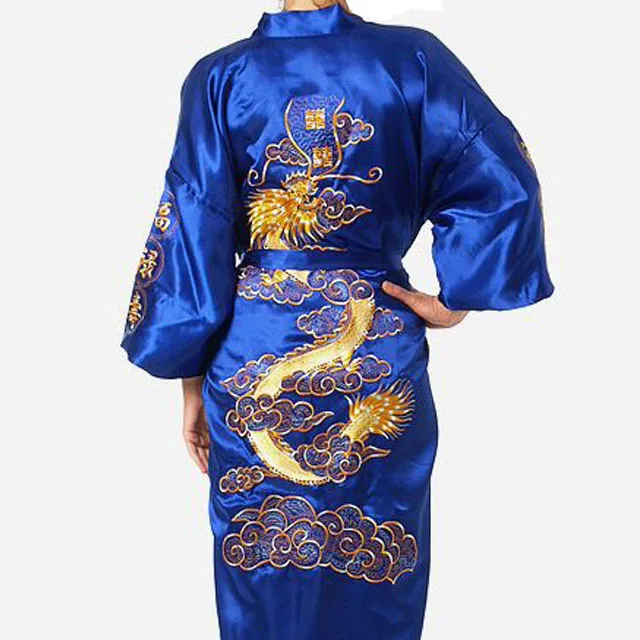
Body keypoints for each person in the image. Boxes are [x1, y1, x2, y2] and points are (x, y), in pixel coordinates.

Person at [121, 1, 553, 637]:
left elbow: (194, 235)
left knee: (265, 579)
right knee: (377, 576)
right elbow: (500, 171)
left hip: (252, 351)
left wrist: (190, 383)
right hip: (377, 344)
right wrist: (456, 297)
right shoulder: (411, 59)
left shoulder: (222, 76)